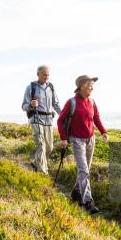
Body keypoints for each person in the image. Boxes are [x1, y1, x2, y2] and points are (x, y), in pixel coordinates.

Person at [57, 75, 108, 214]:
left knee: (84, 170)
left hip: (91, 139)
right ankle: (87, 201)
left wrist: (103, 131)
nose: (92, 88)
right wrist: (63, 138)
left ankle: (75, 193)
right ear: (81, 86)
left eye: (92, 85)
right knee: (84, 170)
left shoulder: (92, 102)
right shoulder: (72, 102)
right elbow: (60, 120)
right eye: (89, 85)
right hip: (77, 140)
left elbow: (96, 118)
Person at [21, 65, 62, 174]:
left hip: (48, 120)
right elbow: (23, 106)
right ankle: (43, 173)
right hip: (36, 119)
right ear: (38, 74)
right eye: (44, 74)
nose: (46, 77)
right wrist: (31, 104)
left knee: (49, 147)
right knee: (41, 145)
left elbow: (56, 104)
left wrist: (63, 115)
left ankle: (35, 163)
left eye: (48, 75)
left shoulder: (51, 87)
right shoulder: (31, 87)